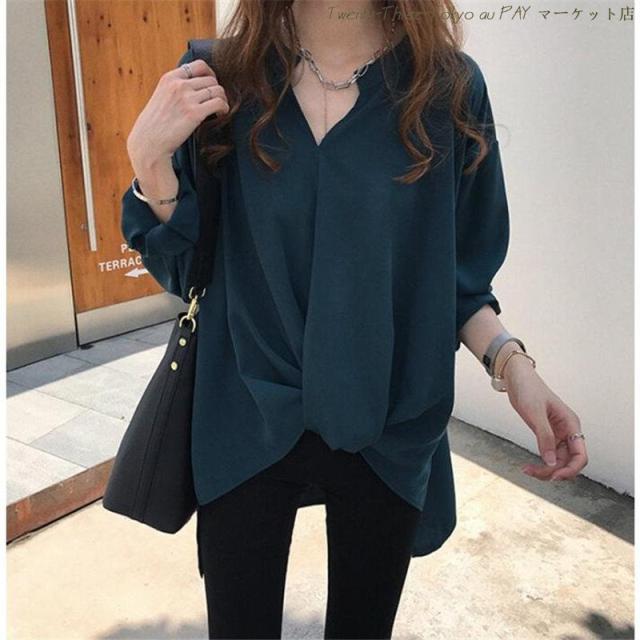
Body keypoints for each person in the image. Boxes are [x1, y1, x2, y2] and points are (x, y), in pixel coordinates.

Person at [121, 1, 589, 638]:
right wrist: (150, 162)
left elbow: (455, 279)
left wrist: (515, 366)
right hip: (243, 413)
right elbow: (185, 271)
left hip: (387, 418)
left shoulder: (446, 87)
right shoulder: (220, 79)